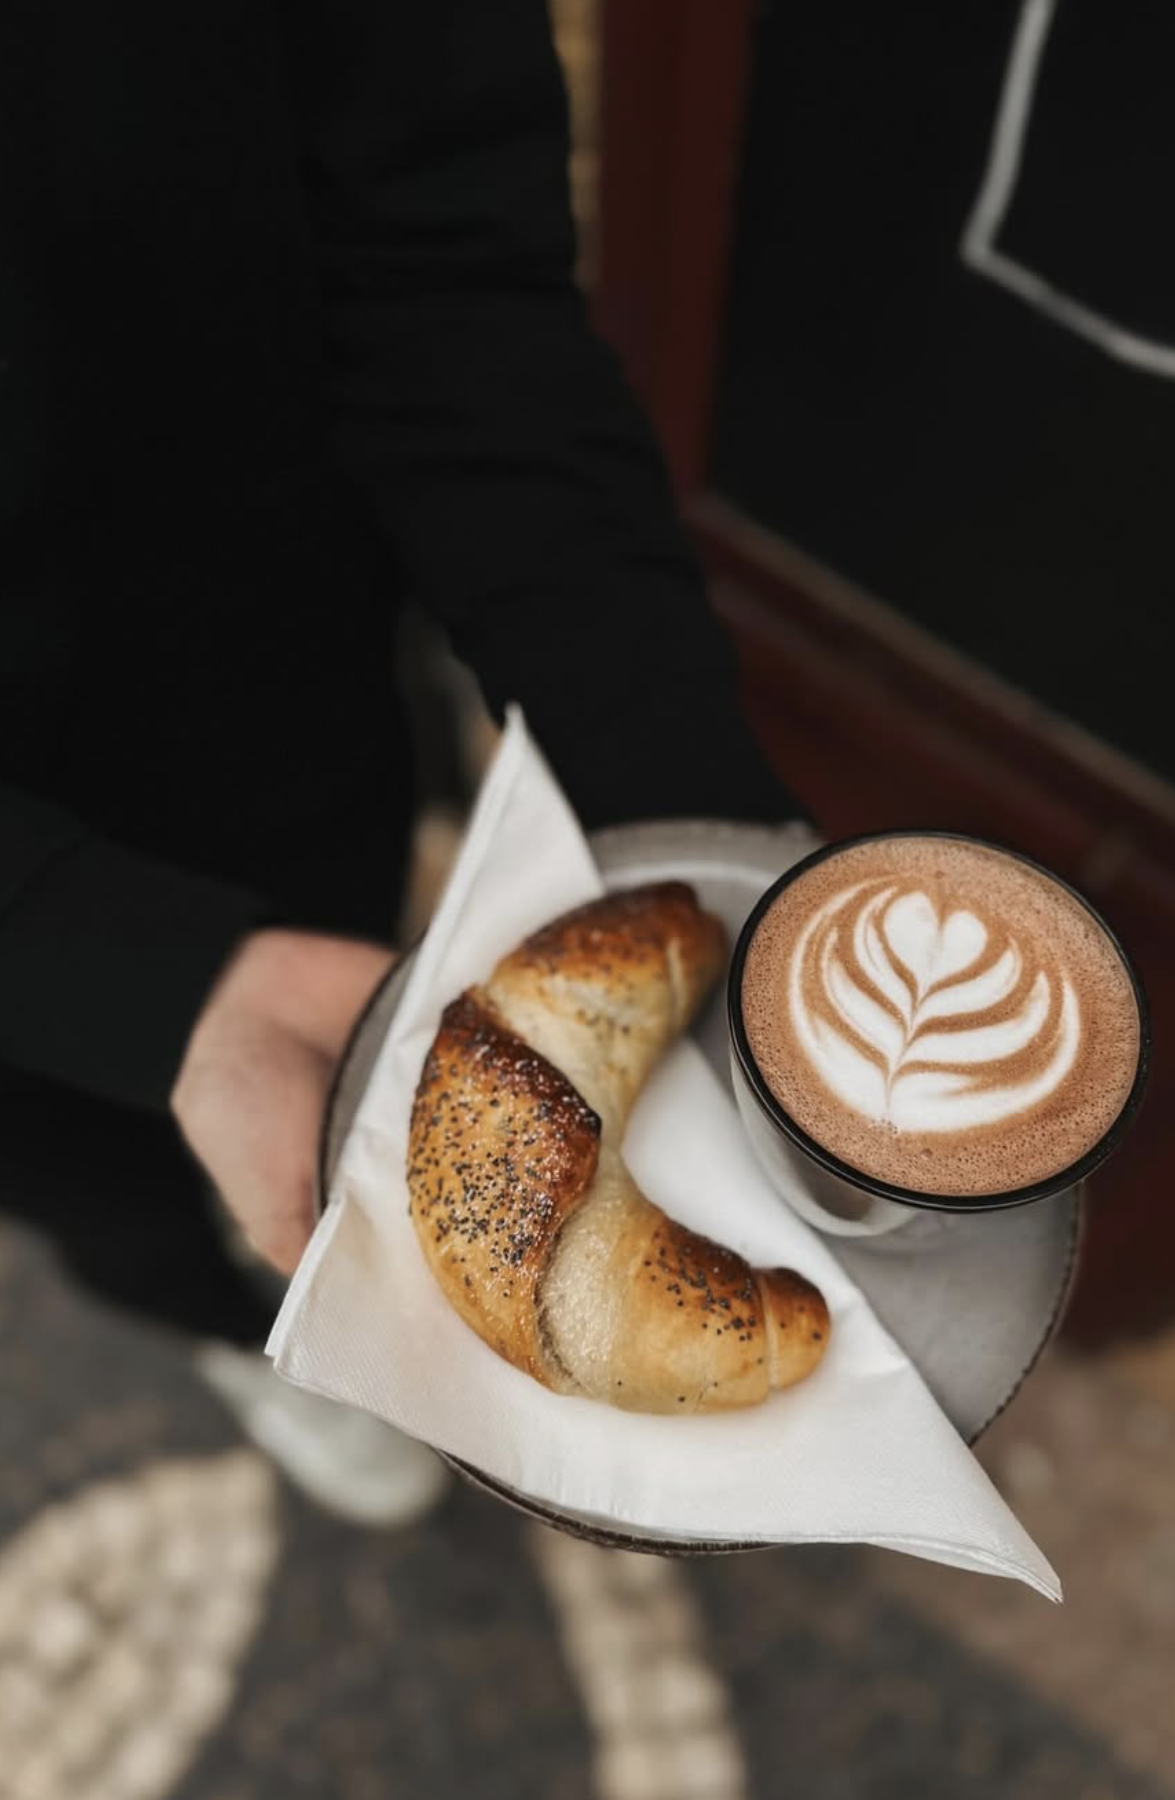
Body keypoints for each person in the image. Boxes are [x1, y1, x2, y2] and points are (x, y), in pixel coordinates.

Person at [0, 0, 795, 1519]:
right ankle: (234, 1329)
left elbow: (440, 264)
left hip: (265, 653)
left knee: (335, 990)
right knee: (94, 1178)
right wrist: (108, 965)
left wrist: (672, 792)